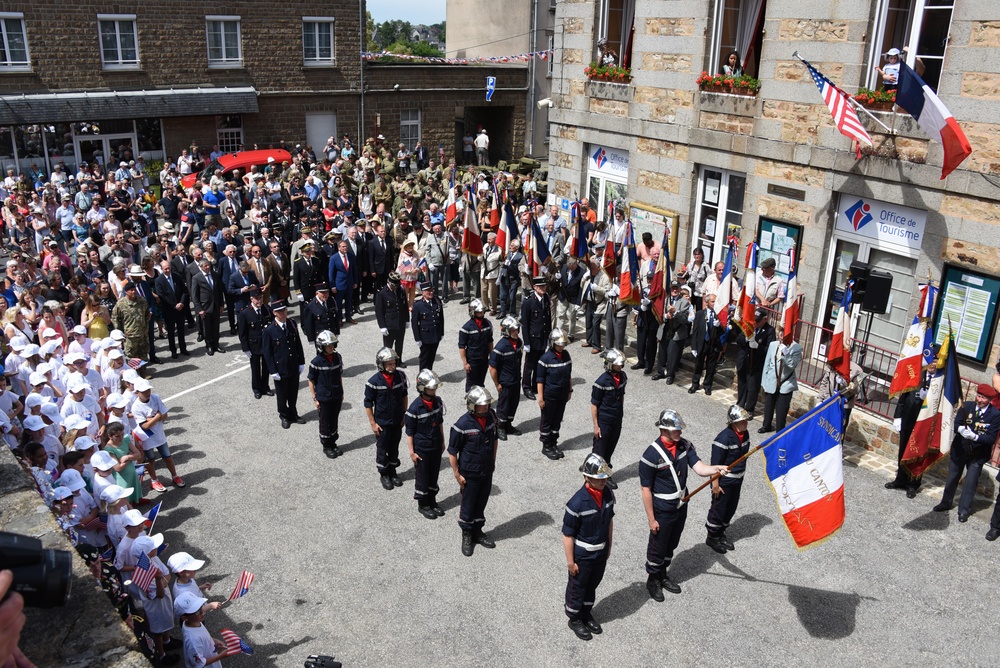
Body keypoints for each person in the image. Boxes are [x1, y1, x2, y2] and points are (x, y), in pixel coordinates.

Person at [640, 410, 728, 600]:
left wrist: (716, 468)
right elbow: (645, 489)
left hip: (681, 502)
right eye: (676, 430)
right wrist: (651, 519)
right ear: (664, 430)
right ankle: (653, 579)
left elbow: (699, 467)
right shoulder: (650, 455)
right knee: (658, 543)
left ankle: (663, 573)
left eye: (680, 429)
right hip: (662, 506)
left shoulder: (685, 446)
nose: (680, 433)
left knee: (672, 541)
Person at [562, 452, 615, 642]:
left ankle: (586, 612)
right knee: (578, 586)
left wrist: (608, 545)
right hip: (583, 555)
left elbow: (609, 520)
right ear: (586, 477)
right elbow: (568, 535)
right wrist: (570, 562)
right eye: (598, 479)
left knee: (593, 584)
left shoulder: (608, 493)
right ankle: (574, 617)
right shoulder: (576, 503)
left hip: (600, 551)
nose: (603, 482)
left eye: (604, 478)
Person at [933, 383, 1000, 522]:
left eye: (983, 398)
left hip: (978, 454)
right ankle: (945, 502)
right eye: (979, 396)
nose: (979, 400)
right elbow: (956, 424)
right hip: (960, 449)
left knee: (970, 482)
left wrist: (975, 437)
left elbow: (991, 438)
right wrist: (961, 430)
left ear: (990, 400)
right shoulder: (967, 407)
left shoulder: (995, 414)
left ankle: (964, 510)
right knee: (952, 477)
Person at [448, 386, 499, 556]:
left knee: (481, 502)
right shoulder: (462, 425)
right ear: (471, 405)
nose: (485, 408)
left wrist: (493, 460)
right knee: (468, 505)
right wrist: (457, 474)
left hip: (486, 470)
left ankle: (478, 531)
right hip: (470, 474)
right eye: (481, 405)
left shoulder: (491, 417)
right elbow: (452, 452)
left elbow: (495, 439)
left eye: (486, 404)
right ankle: (467, 534)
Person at [705, 405, 753, 554]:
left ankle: (721, 532)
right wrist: (715, 485)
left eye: (746, 420)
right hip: (724, 482)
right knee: (718, 509)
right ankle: (712, 536)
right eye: (742, 421)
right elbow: (715, 465)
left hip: (737, 480)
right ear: (733, 423)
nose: (746, 423)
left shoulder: (745, 435)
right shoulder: (723, 439)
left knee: (731, 507)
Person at [365, 347, 409, 491]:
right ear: (381, 364)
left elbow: (404, 395)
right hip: (382, 422)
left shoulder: (400, 377)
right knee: (382, 448)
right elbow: (368, 404)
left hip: (397, 420)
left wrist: (404, 414)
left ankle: (393, 471)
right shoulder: (373, 382)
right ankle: (384, 474)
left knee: (394, 447)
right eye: (389, 364)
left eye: (394, 363)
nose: (392, 366)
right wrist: (373, 423)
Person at [405, 369, 446, 520]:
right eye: (431, 387)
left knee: (434, 474)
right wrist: (411, 452)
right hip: (422, 448)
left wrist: (442, 441)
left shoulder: (438, 402)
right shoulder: (414, 408)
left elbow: (440, 423)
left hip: (435, 445)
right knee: (423, 476)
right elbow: (409, 432)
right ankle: (423, 504)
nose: (434, 390)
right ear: (422, 388)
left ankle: (432, 500)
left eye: (435, 387)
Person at [261, 299, 306, 430]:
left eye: (284, 310)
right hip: (280, 368)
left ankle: (293, 413)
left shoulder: (291, 324)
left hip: (293, 364)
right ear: (274, 313)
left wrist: (301, 361)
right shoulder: (269, 331)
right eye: (280, 311)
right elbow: (268, 353)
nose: (283, 313)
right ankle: (284, 415)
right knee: (282, 395)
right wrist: (272, 371)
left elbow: (297, 344)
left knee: (293, 393)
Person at [590, 348, 626, 489]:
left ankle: (600, 467)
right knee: (601, 448)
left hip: (616, 418)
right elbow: (594, 405)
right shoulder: (601, 382)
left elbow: (621, 396)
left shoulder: (622, 377)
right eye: (618, 364)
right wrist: (596, 426)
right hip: (604, 419)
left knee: (611, 446)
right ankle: (599, 473)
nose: (620, 366)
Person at [537, 328, 573, 461]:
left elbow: (569, 374)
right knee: (547, 420)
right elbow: (540, 380)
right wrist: (540, 398)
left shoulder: (566, 355)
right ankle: (546, 445)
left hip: (562, 394)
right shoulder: (545, 359)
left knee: (557, 420)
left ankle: (553, 442)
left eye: (563, 344)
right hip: (550, 395)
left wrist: (569, 390)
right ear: (552, 343)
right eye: (559, 344)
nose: (562, 346)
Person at [308, 330, 344, 459]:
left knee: (334, 420)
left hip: (336, 394)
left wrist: (342, 391)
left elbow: (339, 376)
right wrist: (315, 398)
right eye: (328, 345)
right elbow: (311, 381)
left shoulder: (337, 357)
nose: (331, 347)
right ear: (321, 346)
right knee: (325, 421)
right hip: (323, 396)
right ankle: (326, 446)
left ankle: (333, 442)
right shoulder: (316, 362)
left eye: (332, 345)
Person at [758, 336, 803, 433]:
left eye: (784, 335)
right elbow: (767, 363)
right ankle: (766, 426)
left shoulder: (797, 348)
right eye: (780, 334)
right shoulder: (773, 345)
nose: (781, 337)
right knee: (768, 406)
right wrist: (764, 382)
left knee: (781, 410)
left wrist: (786, 353)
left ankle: (780, 431)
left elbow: (792, 365)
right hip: (772, 380)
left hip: (786, 383)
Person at [489, 316, 523, 442]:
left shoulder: (519, 343)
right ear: (506, 331)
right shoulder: (500, 347)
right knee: (503, 405)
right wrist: (497, 384)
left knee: (514, 403)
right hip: (505, 382)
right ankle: (500, 427)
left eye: (517, 329)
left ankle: (508, 425)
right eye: (513, 330)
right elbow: (492, 368)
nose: (516, 332)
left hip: (515, 380)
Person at [174, 591, 228, 668]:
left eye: (201, 608)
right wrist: (221, 656)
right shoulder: (192, 640)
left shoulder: (193, 622)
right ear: (185, 618)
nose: (202, 613)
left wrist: (214, 640)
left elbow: (202, 635)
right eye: (197, 612)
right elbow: (199, 663)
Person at [652, 281, 691, 384]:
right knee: (662, 353)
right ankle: (660, 372)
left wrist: (675, 312)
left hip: (676, 331)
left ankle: (670, 375)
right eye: (673, 288)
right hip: (665, 329)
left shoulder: (684, 302)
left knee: (672, 355)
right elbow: (658, 313)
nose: (674, 290)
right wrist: (665, 316)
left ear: (679, 289)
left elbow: (684, 319)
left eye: (676, 288)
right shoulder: (665, 300)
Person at [736, 309, 775, 413]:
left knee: (753, 387)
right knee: (742, 383)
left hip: (756, 363)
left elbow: (769, 350)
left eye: (758, 321)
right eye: (754, 321)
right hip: (744, 360)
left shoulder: (770, 330)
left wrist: (757, 346)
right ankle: (740, 404)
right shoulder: (748, 326)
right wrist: (745, 339)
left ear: (765, 319)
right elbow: (738, 340)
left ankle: (749, 409)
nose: (755, 323)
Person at [237, 287, 272, 400]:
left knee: (267, 367)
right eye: (256, 299)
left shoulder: (267, 309)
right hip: (254, 345)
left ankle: (265, 387)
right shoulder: (245, 313)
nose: (259, 301)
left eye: (261, 298)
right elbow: (242, 333)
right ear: (251, 299)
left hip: (266, 344)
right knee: (255, 368)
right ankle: (256, 389)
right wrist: (245, 348)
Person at [688, 293, 726, 395]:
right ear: (707, 302)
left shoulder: (719, 315)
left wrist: (719, 326)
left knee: (711, 366)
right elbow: (695, 331)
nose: (714, 303)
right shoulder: (700, 314)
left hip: (713, 344)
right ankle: (695, 384)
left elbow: (724, 331)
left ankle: (707, 385)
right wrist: (694, 347)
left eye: (715, 301)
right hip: (702, 343)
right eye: (712, 301)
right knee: (698, 365)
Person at [521, 276, 551, 400]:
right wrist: (526, 342)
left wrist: (549, 335)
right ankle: (526, 387)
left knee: (540, 364)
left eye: (544, 286)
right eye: (541, 286)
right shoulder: (528, 302)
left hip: (543, 337)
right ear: (534, 287)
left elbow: (547, 319)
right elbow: (525, 323)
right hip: (533, 339)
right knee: (529, 365)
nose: (543, 288)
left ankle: (535, 385)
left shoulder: (546, 298)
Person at [153, 260, 189, 359]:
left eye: (169, 268)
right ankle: (173, 350)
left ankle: (183, 348)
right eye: (165, 269)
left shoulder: (176, 277)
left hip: (180, 308)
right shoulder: (159, 280)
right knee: (171, 332)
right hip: (169, 310)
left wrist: (181, 303)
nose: (168, 270)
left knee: (181, 330)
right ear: (161, 269)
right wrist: (175, 305)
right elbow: (161, 295)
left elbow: (184, 291)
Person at [458, 298, 494, 391]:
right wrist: (465, 363)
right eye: (479, 312)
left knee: (481, 382)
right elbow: (462, 347)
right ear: (473, 312)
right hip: (473, 360)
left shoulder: (487, 324)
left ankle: (482, 404)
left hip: (484, 358)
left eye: (482, 311)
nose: (481, 314)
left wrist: (492, 356)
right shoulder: (466, 328)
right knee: (471, 384)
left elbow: (490, 341)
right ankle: (471, 404)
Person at [110, 281, 150, 363]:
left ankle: (144, 371)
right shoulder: (121, 304)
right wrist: (120, 332)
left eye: (134, 289)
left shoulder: (142, 301)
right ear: (126, 291)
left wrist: (145, 327)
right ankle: (134, 372)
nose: (133, 291)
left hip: (142, 333)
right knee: (131, 355)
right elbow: (115, 318)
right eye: (131, 290)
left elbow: (147, 314)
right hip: (129, 336)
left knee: (143, 353)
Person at [191, 259, 224, 355]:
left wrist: (221, 304)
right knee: (207, 328)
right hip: (205, 307)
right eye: (205, 266)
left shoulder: (215, 275)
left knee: (216, 327)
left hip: (215, 306)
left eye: (208, 265)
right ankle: (209, 345)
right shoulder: (197, 278)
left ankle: (216, 345)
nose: (208, 267)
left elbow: (219, 291)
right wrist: (199, 309)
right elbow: (195, 295)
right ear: (201, 267)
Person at [374, 272, 408, 365]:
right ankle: (387, 362)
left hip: (400, 322)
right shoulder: (382, 293)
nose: (395, 287)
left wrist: (407, 319)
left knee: (399, 344)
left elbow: (405, 305)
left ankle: (398, 361)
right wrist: (382, 326)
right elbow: (379, 312)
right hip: (389, 324)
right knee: (388, 346)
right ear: (388, 282)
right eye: (394, 285)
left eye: (397, 285)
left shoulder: (400, 290)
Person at [411, 281, 444, 371]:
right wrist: (417, 338)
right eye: (428, 291)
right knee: (424, 358)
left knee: (432, 357)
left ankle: (429, 373)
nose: (431, 292)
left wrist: (441, 332)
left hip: (436, 334)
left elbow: (441, 318)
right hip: (425, 336)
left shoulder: (437, 301)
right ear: (423, 293)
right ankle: (422, 376)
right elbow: (414, 323)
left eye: (432, 290)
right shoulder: (418, 305)